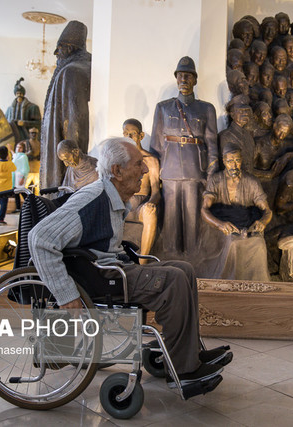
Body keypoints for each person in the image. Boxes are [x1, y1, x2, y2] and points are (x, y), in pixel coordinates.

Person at [29, 137, 231, 389]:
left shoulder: (110, 196)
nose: (145, 170)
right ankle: (184, 371)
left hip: (111, 270)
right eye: (138, 164)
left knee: (184, 269)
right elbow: (39, 237)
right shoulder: (93, 198)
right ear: (117, 171)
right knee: (174, 280)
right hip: (101, 279)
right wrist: (65, 294)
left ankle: (189, 356)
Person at [149, 56, 219, 257]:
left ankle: (194, 259)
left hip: (195, 170)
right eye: (180, 75)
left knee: (192, 219)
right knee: (170, 219)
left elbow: (212, 144)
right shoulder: (163, 107)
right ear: (176, 78)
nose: (184, 80)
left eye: (188, 76)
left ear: (195, 80)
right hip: (169, 170)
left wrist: (211, 175)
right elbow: (156, 145)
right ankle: (170, 259)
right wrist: (154, 179)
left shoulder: (206, 109)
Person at [201, 144, 271, 281]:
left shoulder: (251, 181)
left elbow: (267, 210)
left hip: (247, 221)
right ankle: (230, 282)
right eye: (229, 161)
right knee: (233, 243)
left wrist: (263, 222)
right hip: (222, 223)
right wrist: (219, 224)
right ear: (223, 161)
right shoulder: (215, 180)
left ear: (242, 160)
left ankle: (257, 284)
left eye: (237, 161)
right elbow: (204, 210)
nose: (233, 165)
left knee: (259, 244)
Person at [40, 20, 92, 189]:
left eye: (60, 47)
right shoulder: (78, 68)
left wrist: (72, 162)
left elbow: (74, 122)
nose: (57, 52)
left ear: (70, 48)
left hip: (68, 158)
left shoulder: (72, 71)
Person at [121, 119, 161, 263]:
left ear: (141, 135)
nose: (129, 138)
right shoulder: (119, 159)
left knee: (150, 212)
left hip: (140, 206)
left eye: (132, 134)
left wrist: (151, 203)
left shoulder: (150, 160)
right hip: (123, 205)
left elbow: (156, 190)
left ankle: (142, 262)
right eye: (125, 134)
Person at [5, 77, 42, 142]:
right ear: (15, 94)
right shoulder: (9, 109)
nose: (19, 95)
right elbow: (5, 124)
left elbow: (39, 124)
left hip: (27, 138)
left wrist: (25, 123)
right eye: (17, 93)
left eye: (21, 93)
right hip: (12, 138)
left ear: (23, 94)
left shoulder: (33, 107)